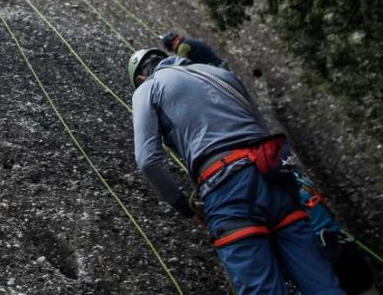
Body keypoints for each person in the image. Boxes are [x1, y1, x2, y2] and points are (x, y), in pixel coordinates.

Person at [127, 48, 343, 295]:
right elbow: (261, 128)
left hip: (228, 187)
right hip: (276, 179)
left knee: (261, 288)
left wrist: (182, 205)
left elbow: (147, 159)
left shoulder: (149, 87)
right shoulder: (221, 74)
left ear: (141, 78)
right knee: (322, 282)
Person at [160, 32, 227, 68]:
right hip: (219, 64)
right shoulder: (188, 41)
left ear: (173, 43)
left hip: (214, 67)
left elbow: (180, 64)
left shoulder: (182, 47)